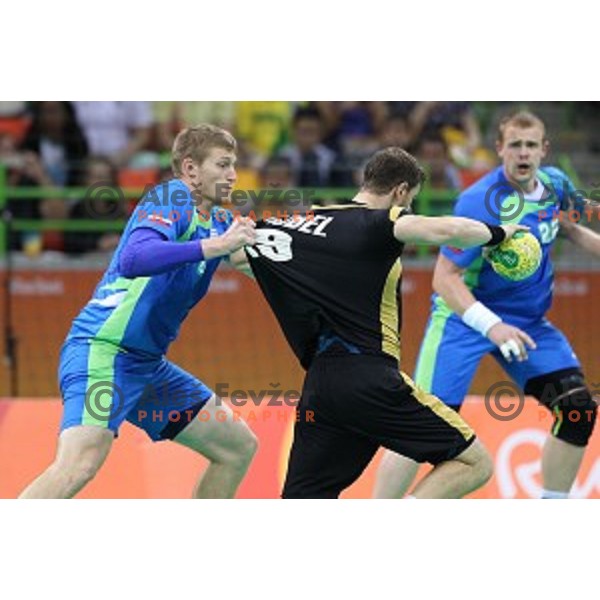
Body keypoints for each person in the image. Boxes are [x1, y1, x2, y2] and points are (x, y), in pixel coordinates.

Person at [232, 146, 525, 499]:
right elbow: (450, 230)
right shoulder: (381, 222)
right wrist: (501, 233)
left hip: (321, 388)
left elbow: (238, 256)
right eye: (410, 200)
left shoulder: (303, 223)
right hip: (370, 379)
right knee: (475, 463)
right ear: (400, 191)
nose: (409, 208)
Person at [19, 124, 258, 499]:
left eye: (234, 165)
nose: (232, 175)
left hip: (148, 367)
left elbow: (255, 262)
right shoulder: (172, 197)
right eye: (223, 164)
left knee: (236, 447)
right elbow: (134, 258)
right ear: (191, 169)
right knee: (79, 463)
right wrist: (215, 247)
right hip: (103, 351)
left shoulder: (221, 221)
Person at [374, 111, 598, 500]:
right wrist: (491, 325)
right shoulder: (479, 201)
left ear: (544, 149)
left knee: (577, 409)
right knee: (419, 425)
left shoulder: (556, 184)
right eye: (515, 144)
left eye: (531, 145)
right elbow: (444, 279)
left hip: (528, 322)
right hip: (465, 318)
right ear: (499, 149)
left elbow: (568, 226)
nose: (523, 153)